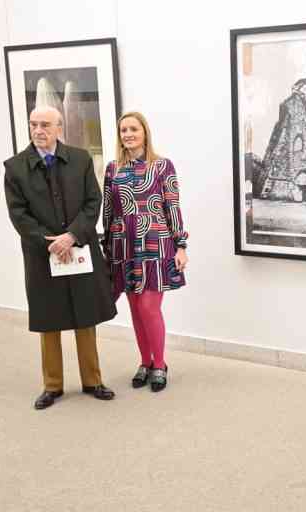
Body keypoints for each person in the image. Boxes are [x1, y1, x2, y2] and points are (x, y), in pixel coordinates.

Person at [4, 106, 117, 410]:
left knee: (86, 317)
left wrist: (72, 236)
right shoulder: (15, 168)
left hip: (79, 248)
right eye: (33, 124)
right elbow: (18, 214)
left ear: (59, 127)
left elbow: (94, 202)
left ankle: (93, 380)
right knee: (48, 319)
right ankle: (52, 385)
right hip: (42, 254)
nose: (38, 130)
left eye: (44, 125)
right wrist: (50, 242)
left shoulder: (80, 159)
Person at [102, 112, 189, 392]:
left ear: (144, 132)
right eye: (123, 130)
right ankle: (145, 361)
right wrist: (106, 250)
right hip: (122, 244)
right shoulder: (112, 168)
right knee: (136, 310)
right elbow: (108, 210)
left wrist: (181, 244)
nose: (127, 134)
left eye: (133, 129)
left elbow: (172, 206)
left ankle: (160, 363)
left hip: (154, 241)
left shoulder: (163, 166)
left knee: (150, 307)